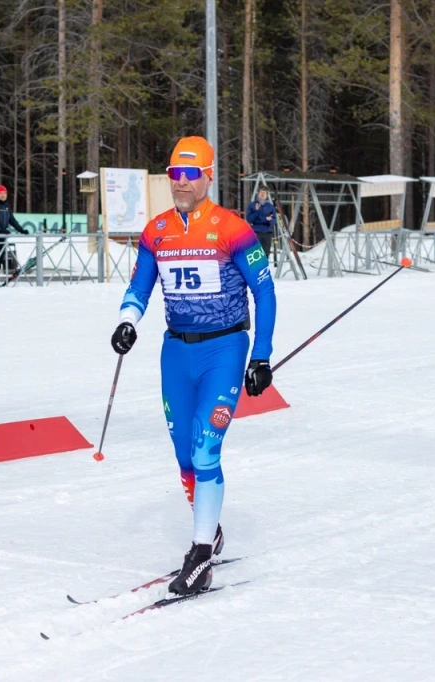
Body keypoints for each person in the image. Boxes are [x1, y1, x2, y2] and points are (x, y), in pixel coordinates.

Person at [110, 136, 276, 595]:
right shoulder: (156, 230)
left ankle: (201, 553)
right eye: (174, 175)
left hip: (224, 350)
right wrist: (128, 321)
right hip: (176, 352)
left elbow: (264, 291)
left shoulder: (232, 228)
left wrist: (261, 355)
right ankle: (211, 527)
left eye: (190, 174)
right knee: (185, 457)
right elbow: (141, 286)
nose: (180, 183)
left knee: (206, 450)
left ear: (207, 176)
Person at [0, 184, 27, 286]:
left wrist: (21, 229)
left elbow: (11, 219)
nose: (3, 195)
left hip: (2, 236)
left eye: (4, 193)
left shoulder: (6, 205)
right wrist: (0, 230)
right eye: (0, 193)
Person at [245, 187, 276, 258]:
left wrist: (269, 220)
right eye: (261, 192)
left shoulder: (270, 206)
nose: (262, 194)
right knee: (255, 254)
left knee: (265, 254)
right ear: (258, 194)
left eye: (264, 193)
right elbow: (249, 219)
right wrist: (257, 212)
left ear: (267, 195)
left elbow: (274, 220)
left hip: (267, 232)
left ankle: (264, 267)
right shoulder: (252, 205)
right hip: (255, 232)